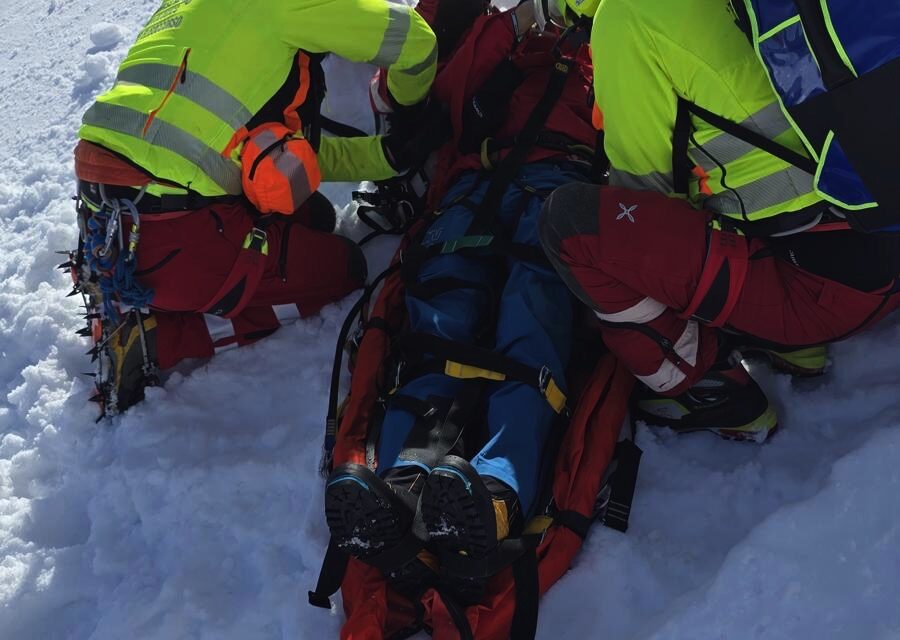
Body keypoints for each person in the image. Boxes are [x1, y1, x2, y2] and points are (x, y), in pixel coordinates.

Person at [324, 0, 598, 600]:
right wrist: (510, 28)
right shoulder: (503, 39)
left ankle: (497, 494)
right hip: (478, 187)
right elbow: (439, 96)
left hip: (555, 190)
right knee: (440, 336)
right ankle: (405, 483)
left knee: (529, 328)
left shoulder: (615, 51)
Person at [535, 0, 900, 441]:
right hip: (880, 238)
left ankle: (698, 383)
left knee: (571, 226)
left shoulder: (627, 17)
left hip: (817, 293)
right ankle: (791, 345)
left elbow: (644, 192)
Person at [72, 0, 444, 415]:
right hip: (178, 229)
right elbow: (415, 40)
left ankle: (132, 282)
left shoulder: (182, 7)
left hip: (106, 211)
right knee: (343, 270)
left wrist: (386, 156)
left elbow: (280, 153)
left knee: (316, 216)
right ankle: (158, 337)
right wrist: (412, 112)